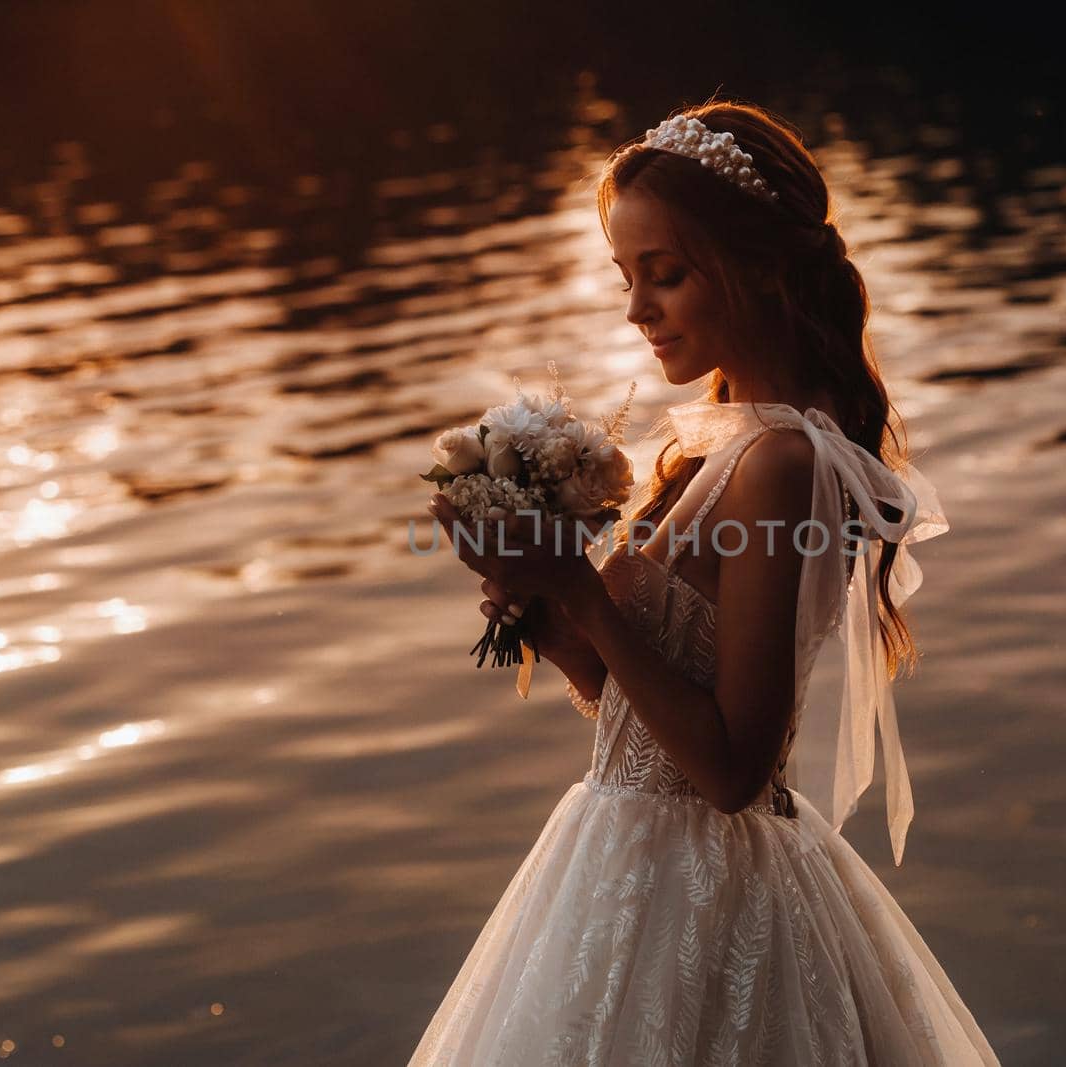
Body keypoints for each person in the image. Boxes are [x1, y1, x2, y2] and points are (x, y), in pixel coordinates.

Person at [414, 99, 1000, 1065]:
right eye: (626, 276)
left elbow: (733, 770)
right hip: (623, 859)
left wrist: (588, 591)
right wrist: (558, 625)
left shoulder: (786, 463)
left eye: (667, 275)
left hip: (703, 894)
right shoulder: (712, 445)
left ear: (759, 267)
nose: (636, 309)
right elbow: (642, 711)